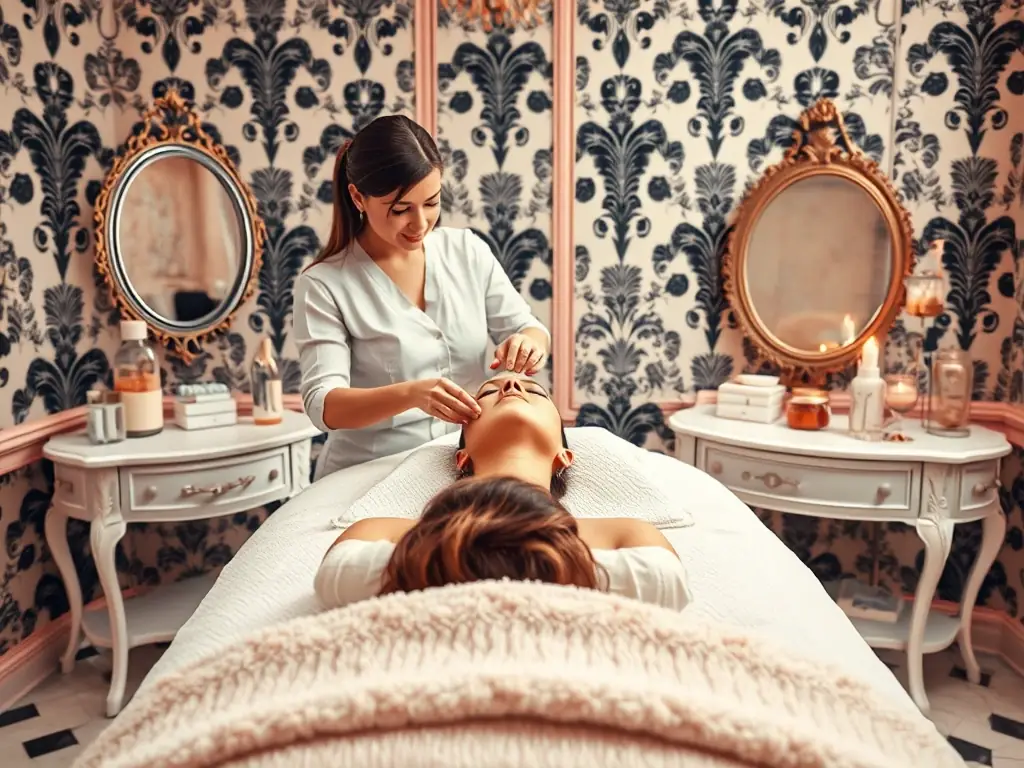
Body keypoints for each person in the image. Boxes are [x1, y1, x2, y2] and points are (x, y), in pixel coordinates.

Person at [294, 114, 550, 480]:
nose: (420, 223)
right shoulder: (323, 285)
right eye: (400, 209)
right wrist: (412, 394)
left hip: (463, 469)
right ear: (357, 197)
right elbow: (324, 404)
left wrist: (528, 343)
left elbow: (529, 327)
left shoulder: (466, 250)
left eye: (431, 203)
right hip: (367, 473)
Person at [313, 373, 691, 611]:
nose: (511, 385)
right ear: (461, 457)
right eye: (490, 391)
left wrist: (458, 556)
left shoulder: (626, 528)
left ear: (565, 456)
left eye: (535, 391)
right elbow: (334, 579)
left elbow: (668, 587)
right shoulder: (616, 539)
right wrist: (547, 558)